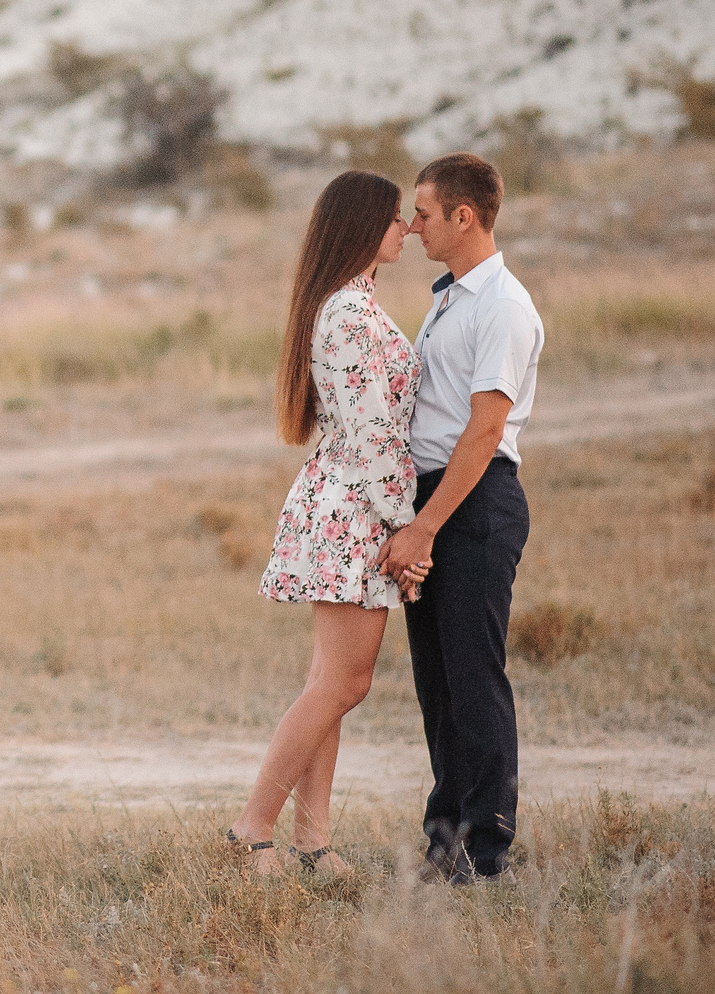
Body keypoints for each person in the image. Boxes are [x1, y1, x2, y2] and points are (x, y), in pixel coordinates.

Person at [227, 170, 425, 877]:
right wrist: (411, 528)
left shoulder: (355, 304)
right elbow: (373, 433)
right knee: (343, 682)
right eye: (396, 217)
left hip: (352, 504)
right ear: (365, 226)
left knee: (333, 680)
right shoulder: (345, 312)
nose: (406, 227)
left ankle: (313, 842)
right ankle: (253, 826)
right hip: (354, 508)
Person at [376, 152, 544, 882]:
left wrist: (424, 526)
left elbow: (483, 430)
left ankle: (487, 846)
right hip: (435, 496)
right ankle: (444, 839)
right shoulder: (450, 298)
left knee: (474, 674)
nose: (413, 226)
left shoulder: (502, 305)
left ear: (463, 216)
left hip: (472, 499)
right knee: (437, 679)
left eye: (423, 212)